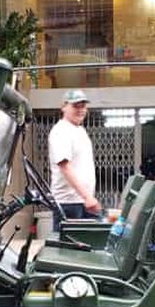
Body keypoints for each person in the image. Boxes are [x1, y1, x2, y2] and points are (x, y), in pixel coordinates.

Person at [48, 89, 100, 231]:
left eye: (83, 106)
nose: (80, 110)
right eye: (76, 106)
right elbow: (65, 167)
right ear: (64, 106)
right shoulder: (61, 131)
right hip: (69, 203)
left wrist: (87, 197)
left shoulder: (79, 130)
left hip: (82, 201)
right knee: (68, 244)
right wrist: (87, 197)